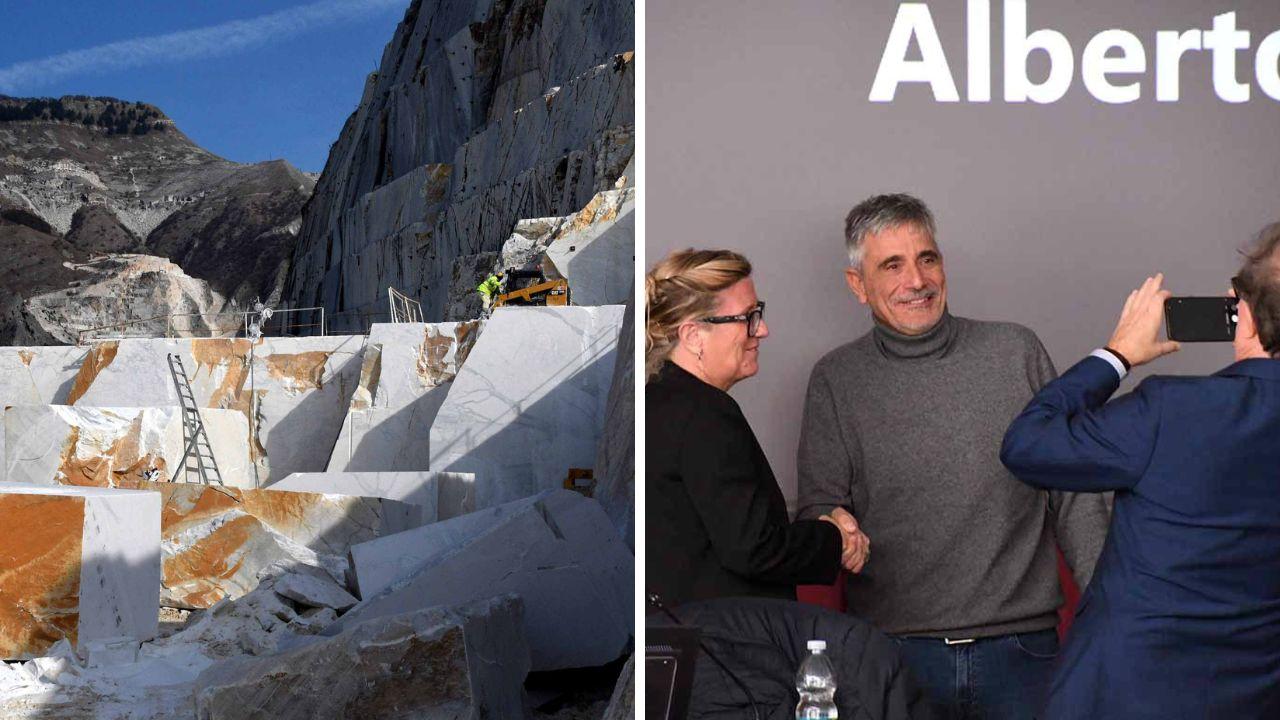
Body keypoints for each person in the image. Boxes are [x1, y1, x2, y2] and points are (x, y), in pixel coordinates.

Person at [796, 193, 1110, 719]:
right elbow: (817, 511)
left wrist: (1111, 614)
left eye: (927, 259)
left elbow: (1074, 498)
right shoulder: (836, 379)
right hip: (895, 656)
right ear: (858, 285)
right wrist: (834, 523)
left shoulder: (1016, 351)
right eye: (891, 266)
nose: (916, 281)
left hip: (1023, 651)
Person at [1000, 228, 1280, 719]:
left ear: (1246, 314)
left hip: (1122, 696)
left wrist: (1118, 354)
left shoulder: (1173, 410)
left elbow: (1026, 446)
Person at [646, 248, 927, 719]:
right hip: (730, 667)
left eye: (760, 314)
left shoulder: (658, 401)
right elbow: (752, 546)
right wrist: (834, 539)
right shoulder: (706, 414)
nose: (763, 330)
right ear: (693, 334)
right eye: (748, 318)